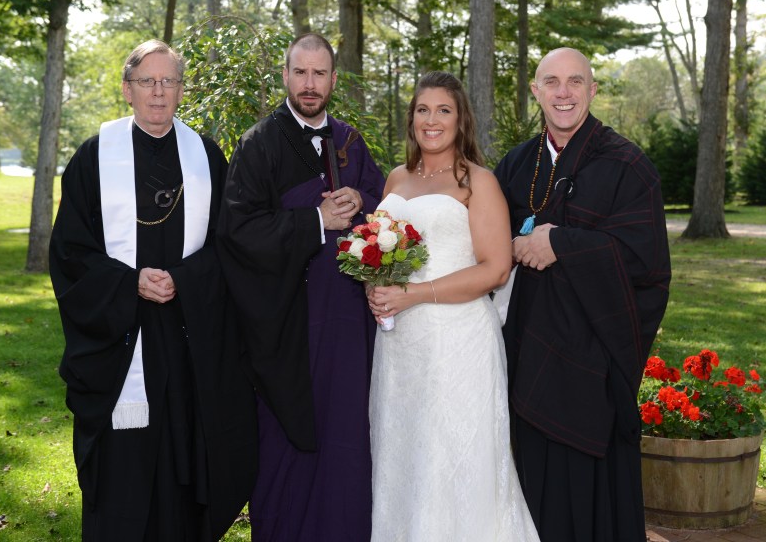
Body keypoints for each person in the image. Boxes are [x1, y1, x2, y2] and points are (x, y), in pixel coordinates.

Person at [49, 39, 259, 541]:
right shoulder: (94, 158)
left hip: (188, 335)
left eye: (169, 81)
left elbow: (230, 244)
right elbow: (70, 251)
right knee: (124, 471)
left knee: (185, 462)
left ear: (182, 91)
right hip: (121, 339)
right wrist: (129, 282)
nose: (159, 92)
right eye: (147, 81)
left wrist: (184, 279)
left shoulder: (207, 157)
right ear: (128, 90)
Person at [493, 47, 672, 541]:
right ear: (535, 91)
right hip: (528, 350)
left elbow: (646, 262)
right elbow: (484, 241)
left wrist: (561, 244)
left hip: (591, 362)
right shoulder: (516, 164)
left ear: (592, 90)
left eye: (575, 81)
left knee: (586, 500)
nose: (563, 93)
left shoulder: (628, 165)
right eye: (551, 82)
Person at [216, 33, 386, 542]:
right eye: (300, 72)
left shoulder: (351, 143)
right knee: (285, 444)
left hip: (349, 324)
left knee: (348, 434)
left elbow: (385, 206)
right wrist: (314, 220)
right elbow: (237, 233)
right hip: (288, 327)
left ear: (333, 79)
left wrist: (363, 201)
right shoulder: (258, 144)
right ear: (285, 76)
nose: (310, 84)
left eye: (320, 73)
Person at [366, 71, 540, 541]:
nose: (432, 120)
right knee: (403, 454)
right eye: (423, 110)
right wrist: (375, 287)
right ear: (411, 118)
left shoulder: (477, 181)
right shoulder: (397, 178)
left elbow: (496, 269)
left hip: (457, 344)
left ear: (461, 119)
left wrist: (414, 294)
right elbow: (381, 253)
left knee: (453, 458)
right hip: (400, 348)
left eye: (444, 110)